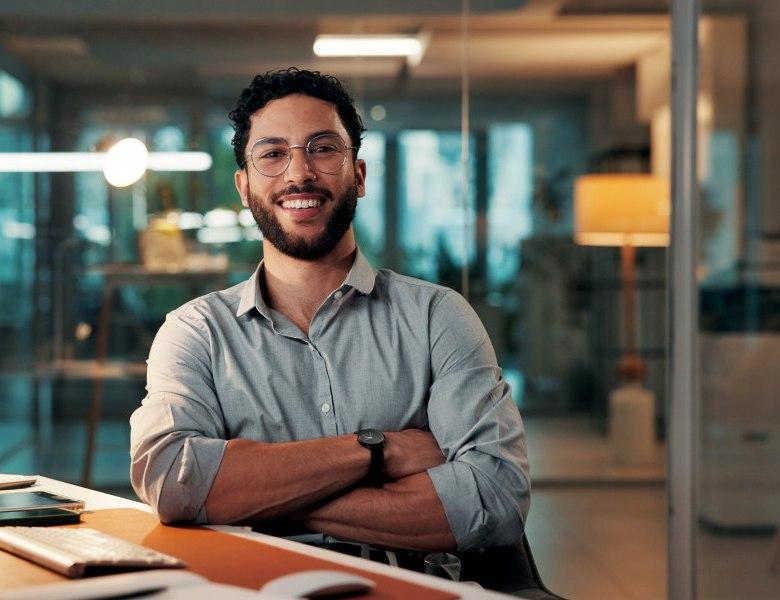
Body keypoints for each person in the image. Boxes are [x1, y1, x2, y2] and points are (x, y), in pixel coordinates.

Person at [130, 68, 530, 563]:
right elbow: (171, 480)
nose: (298, 174)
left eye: (322, 148)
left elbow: (495, 497)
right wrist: (378, 449)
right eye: (273, 154)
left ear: (358, 175)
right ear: (243, 185)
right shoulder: (196, 333)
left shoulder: (436, 317)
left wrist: (253, 498)